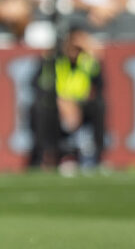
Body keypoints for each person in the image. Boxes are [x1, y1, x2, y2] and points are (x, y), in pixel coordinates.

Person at [28, 26, 106, 171]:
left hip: (80, 105)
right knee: (39, 109)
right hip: (55, 104)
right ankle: (41, 158)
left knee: (99, 106)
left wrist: (76, 103)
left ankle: (98, 157)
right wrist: (60, 100)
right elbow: (36, 84)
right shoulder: (52, 60)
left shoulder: (88, 62)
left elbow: (100, 87)